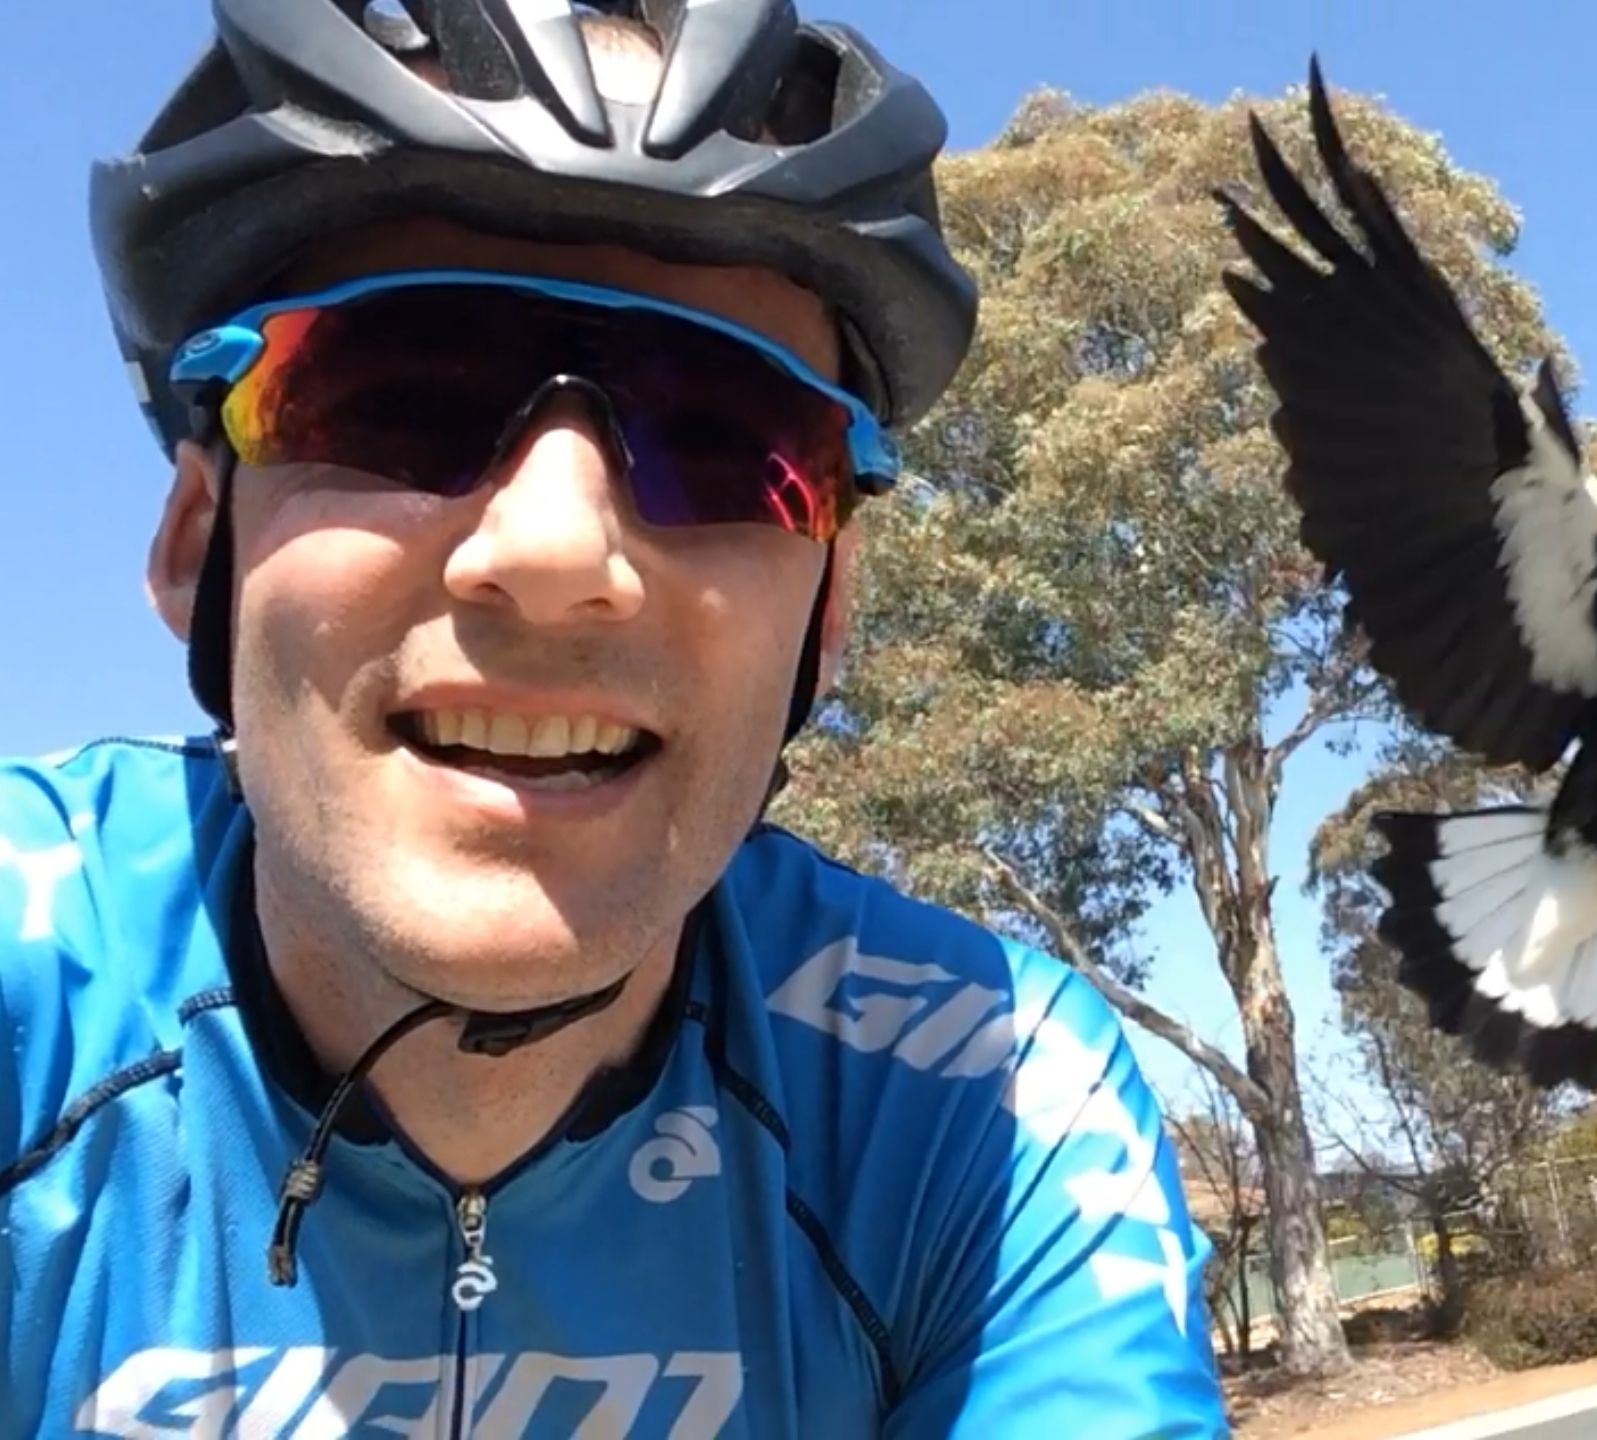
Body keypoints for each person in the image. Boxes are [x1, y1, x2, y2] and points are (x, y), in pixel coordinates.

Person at [1, 2, 1229, 1434]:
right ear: (197, 546)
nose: (558, 551)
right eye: (393, 393)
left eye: (731, 439)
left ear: (827, 618)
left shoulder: (988, 1101)